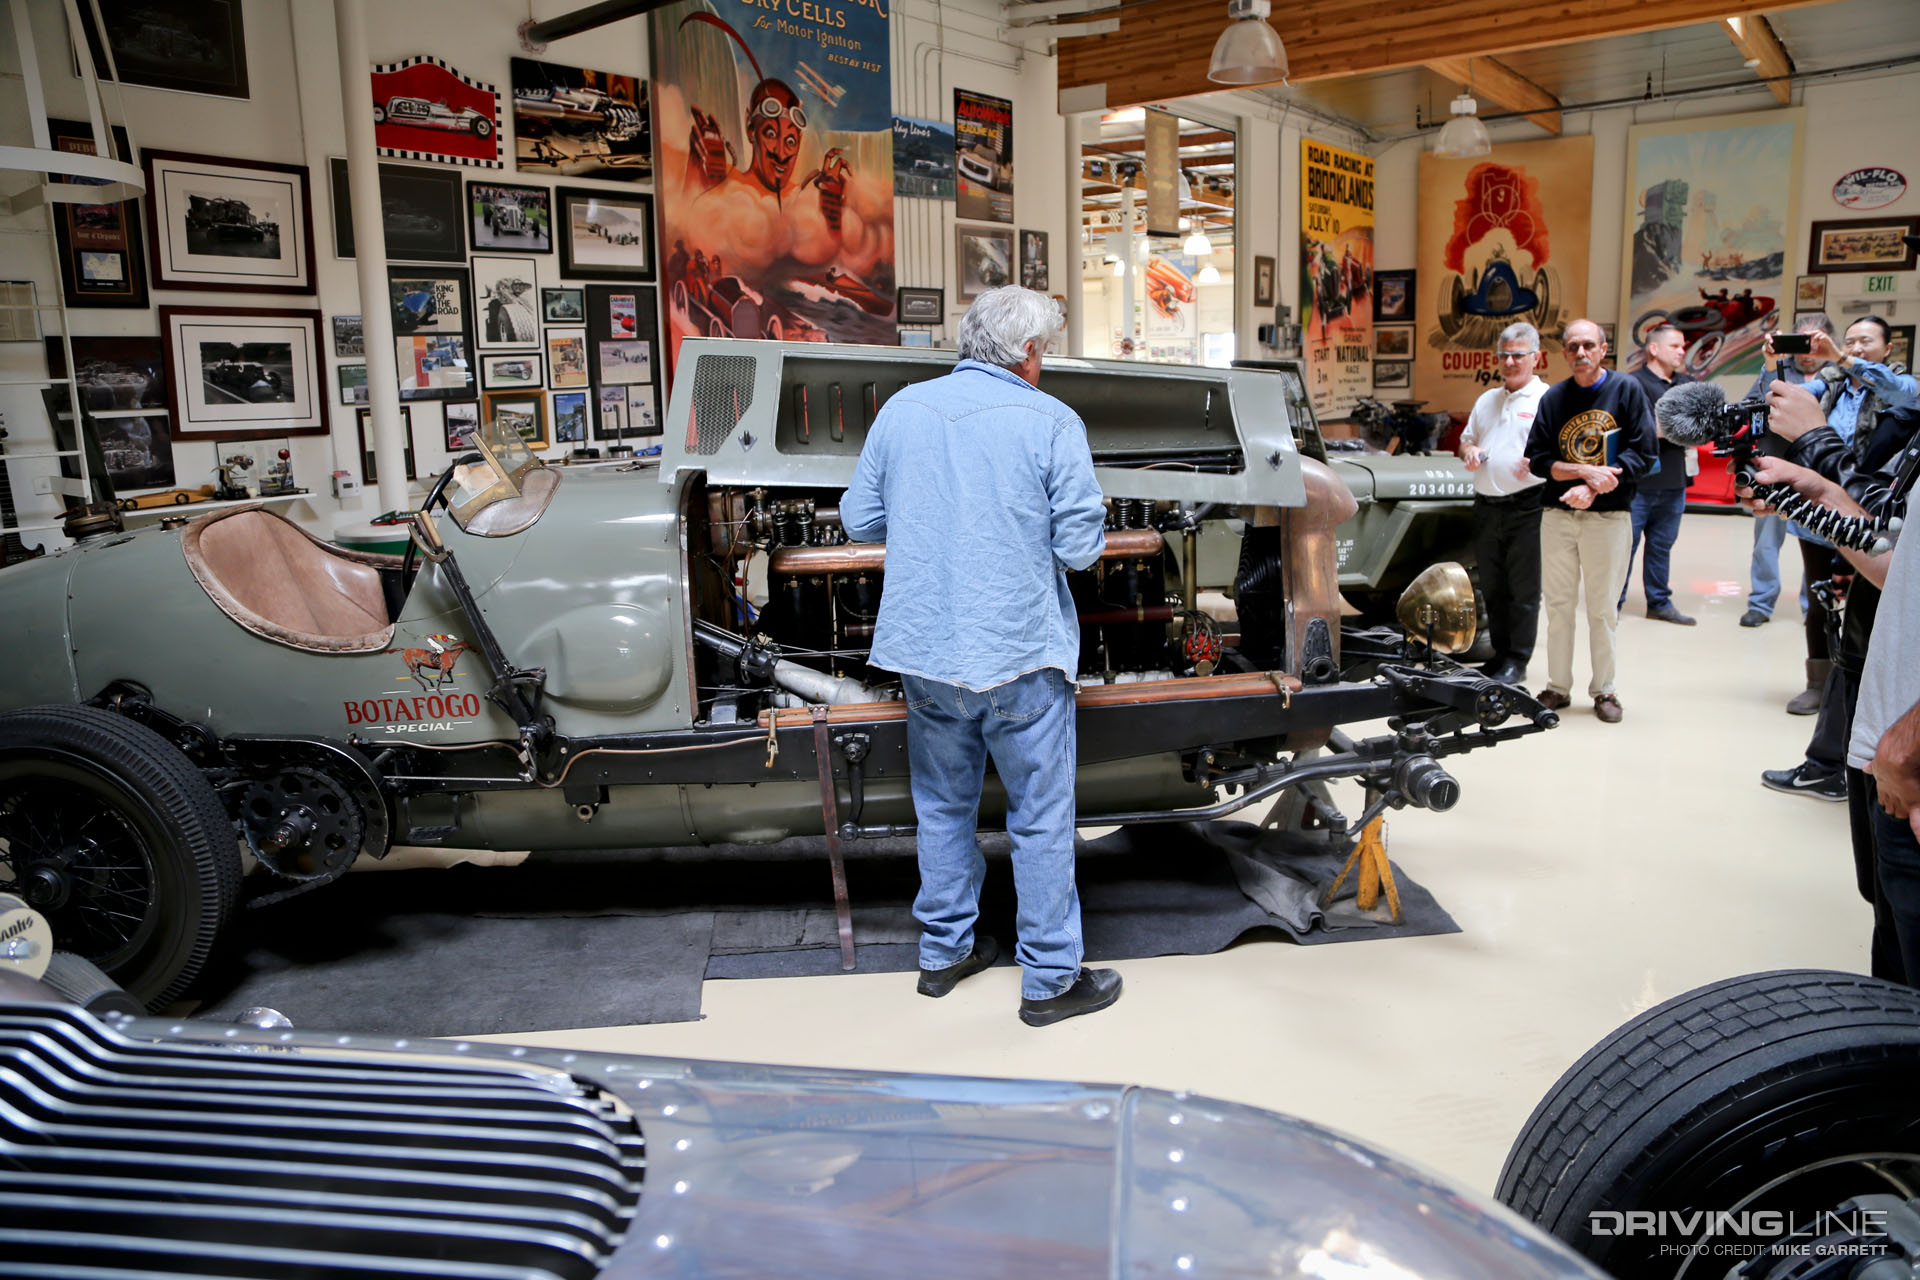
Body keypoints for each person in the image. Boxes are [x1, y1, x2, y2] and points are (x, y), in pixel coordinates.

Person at [839, 286, 1121, 1028]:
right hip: (1020, 652)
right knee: (1040, 817)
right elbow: (1080, 548)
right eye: (1046, 349)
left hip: (928, 655)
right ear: (1029, 353)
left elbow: (857, 517)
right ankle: (1051, 981)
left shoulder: (903, 410)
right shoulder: (1053, 421)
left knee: (942, 807)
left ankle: (943, 953)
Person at [1763, 315, 1920, 799]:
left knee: (1869, 634)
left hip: (1876, 518)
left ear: (1887, 346)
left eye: (1863, 340)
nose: (1852, 347)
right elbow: (1776, 406)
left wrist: (1839, 357)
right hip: (1832, 508)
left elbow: (1897, 393)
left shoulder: (1899, 389)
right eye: (1848, 339)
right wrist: (1775, 367)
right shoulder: (1827, 385)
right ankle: (1826, 743)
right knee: (1828, 608)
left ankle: (1841, 761)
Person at [1522, 319, 1658, 723]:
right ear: (1564, 354)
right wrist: (1582, 474)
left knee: (1602, 609)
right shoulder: (1554, 398)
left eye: (1588, 345)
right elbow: (1538, 458)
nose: (1580, 353)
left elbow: (1643, 453)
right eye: (1572, 347)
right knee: (1559, 605)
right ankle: (1557, 687)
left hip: (1609, 517)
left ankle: (1605, 691)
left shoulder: (1627, 390)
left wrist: (1596, 488)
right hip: (1557, 515)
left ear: (1602, 349)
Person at [1457, 321, 1547, 685]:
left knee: (1523, 589)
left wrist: (1539, 460)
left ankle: (1517, 660)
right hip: (1486, 505)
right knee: (1492, 586)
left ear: (1535, 358)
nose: (1510, 362)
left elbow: (1558, 452)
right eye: (1504, 355)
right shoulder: (1487, 400)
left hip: (1527, 506)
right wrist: (1471, 451)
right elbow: (1465, 442)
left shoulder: (1546, 400)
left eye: (1518, 355)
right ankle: (1498, 654)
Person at [1740, 314, 1836, 629]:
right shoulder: (1778, 371)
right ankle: (1760, 603)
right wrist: (1771, 365)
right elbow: (1753, 404)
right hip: (1777, 468)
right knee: (1766, 542)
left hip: (1821, 474)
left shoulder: (1838, 376)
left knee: (1821, 545)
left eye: (1813, 341)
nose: (1806, 351)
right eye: (1800, 341)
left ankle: (1816, 606)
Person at [1619, 323, 1696, 624]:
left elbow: (1701, 428)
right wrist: (1673, 429)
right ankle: (1614, 602)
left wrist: (1666, 429)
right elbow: (1631, 430)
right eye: (1675, 346)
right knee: (1626, 546)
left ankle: (1659, 603)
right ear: (1653, 348)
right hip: (1638, 483)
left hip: (1675, 480)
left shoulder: (1687, 383)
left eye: (1683, 346)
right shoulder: (1631, 384)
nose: (1682, 351)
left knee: (1662, 545)